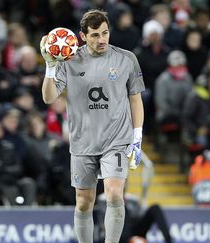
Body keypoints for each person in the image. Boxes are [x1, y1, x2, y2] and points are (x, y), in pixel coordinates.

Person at [40, 10, 145, 243]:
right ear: (83, 36)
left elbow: (135, 99)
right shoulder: (69, 60)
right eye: (95, 35)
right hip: (82, 141)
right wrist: (50, 66)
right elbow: (48, 98)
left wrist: (136, 136)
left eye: (105, 33)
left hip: (116, 139)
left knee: (115, 194)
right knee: (83, 202)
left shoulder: (126, 59)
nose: (102, 40)